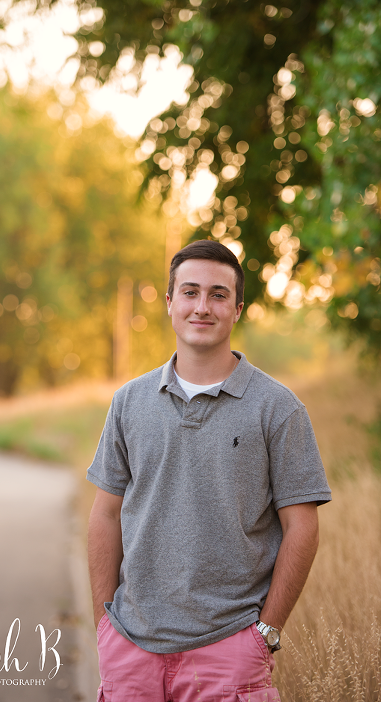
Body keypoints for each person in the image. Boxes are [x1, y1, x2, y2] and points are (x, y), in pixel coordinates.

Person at [87, 240, 332, 702]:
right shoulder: (129, 402)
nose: (202, 307)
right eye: (190, 292)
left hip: (228, 651)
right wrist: (104, 625)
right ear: (170, 302)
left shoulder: (277, 409)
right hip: (131, 650)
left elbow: (302, 527)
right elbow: (104, 514)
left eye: (218, 295)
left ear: (237, 309)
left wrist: (266, 632)